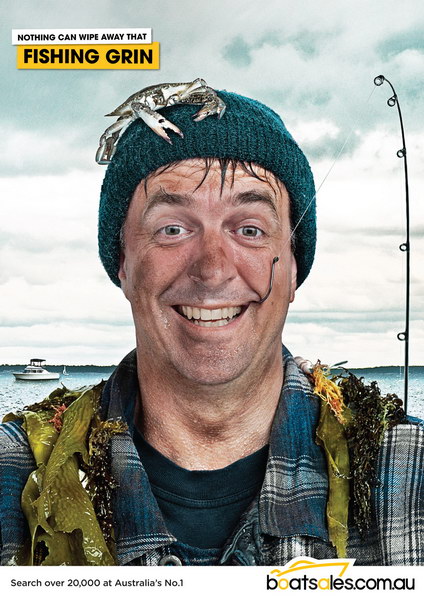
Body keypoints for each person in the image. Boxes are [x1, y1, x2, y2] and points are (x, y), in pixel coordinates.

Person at [0, 83, 422, 567]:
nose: (213, 269)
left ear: (292, 270)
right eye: (172, 229)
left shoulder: (409, 473)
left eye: (250, 229)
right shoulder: (14, 470)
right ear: (123, 264)